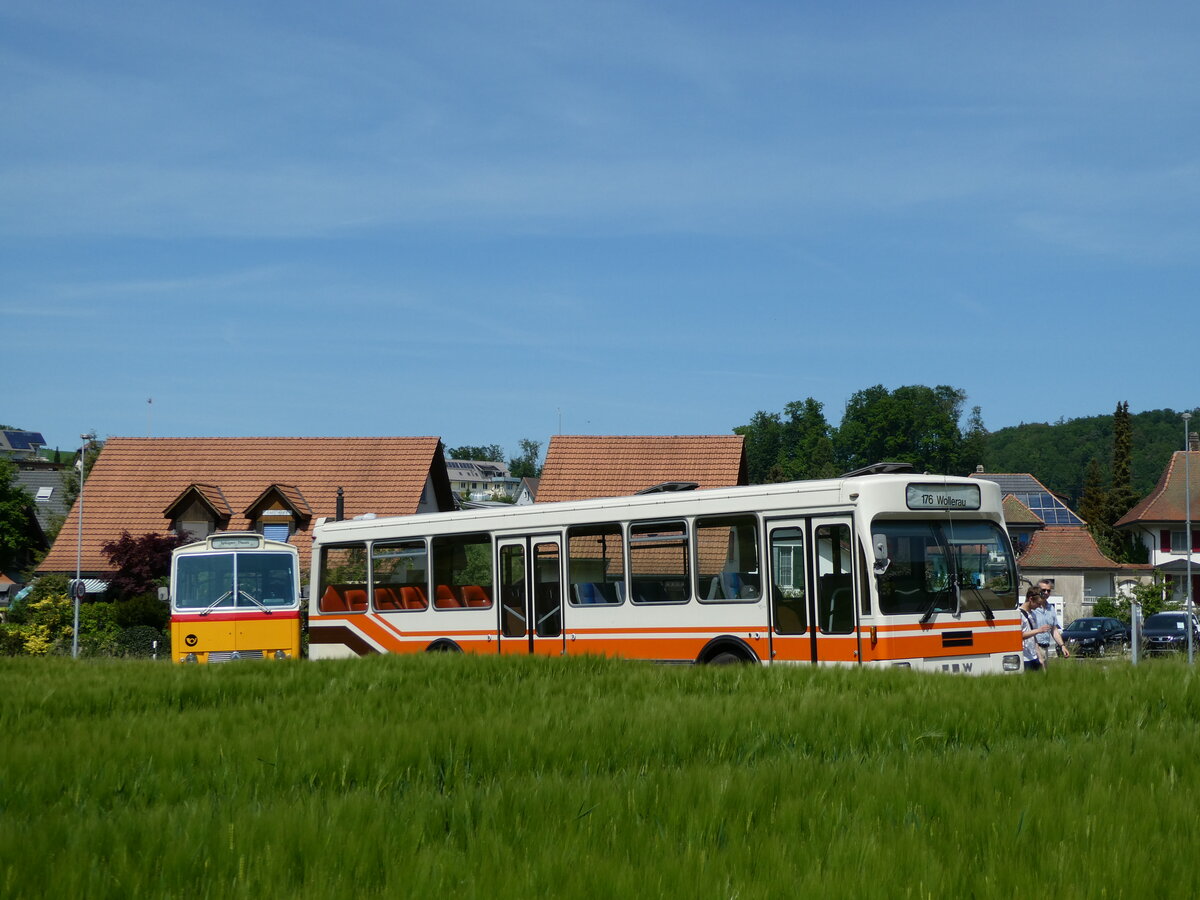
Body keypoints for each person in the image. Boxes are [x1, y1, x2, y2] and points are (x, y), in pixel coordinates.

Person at [1033, 580, 1070, 664]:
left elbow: (1054, 629)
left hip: (1046, 648)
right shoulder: (1032, 608)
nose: (1046, 592)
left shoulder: (1051, 608)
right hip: (1034, 649)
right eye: (1043, 590)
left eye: (1048, 590)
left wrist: (1062, 646)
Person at [1020, 586, 1051, 672]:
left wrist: (1040, 658)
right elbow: (1019, 635)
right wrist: (1038, 630)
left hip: (1033, 656)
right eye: (1038, 603)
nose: (1039, 606)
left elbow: (1034, 638)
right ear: (1030, 599)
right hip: (1024, 657)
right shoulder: (1019, 614)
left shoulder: (1033, 614)